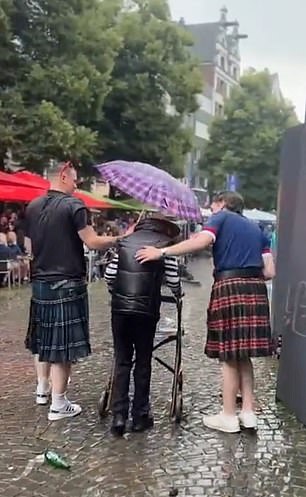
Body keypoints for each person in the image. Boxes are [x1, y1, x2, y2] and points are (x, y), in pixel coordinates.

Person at [136, 191, 275, 434]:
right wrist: (247, 275)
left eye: (213, 205)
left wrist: (162, 252)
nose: (211, 209)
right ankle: (248, 413)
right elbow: (270, 271)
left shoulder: (220, 218)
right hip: (256, 288)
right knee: (244, 356)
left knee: (229, 354)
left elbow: (201, 242)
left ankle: (229, 416)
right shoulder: (257, 230)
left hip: (229, 285)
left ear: (222, 204)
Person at [25, 161, 128, 421]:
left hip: (40, 281)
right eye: (74, 179)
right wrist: (121, 238)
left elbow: (29, 246)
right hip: (67, 282)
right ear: (62, 176)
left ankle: (42, 388)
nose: (76, 184)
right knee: (62, 346)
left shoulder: (32, 206)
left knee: (43, 340)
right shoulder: (75, 206)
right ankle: (58, 404)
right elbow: (93, 243)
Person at [104, 215, 182, 436]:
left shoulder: (125, 243)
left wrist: (117, 294)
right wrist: (177, 295)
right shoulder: (164, 248)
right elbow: (174, 282)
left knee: (122, 360)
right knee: (143, 362)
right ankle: (140, 416)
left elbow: (109, 275)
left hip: (120, 310)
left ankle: (118, 417)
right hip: (146, 311)